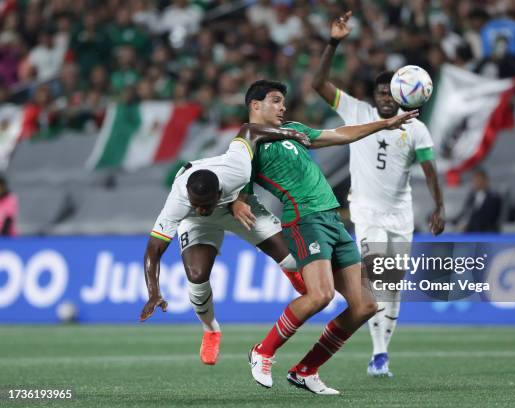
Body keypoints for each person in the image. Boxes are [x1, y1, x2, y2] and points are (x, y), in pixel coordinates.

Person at [241, 79, 419, 395]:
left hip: (332, 220)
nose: (283, 107)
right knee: (320, 295)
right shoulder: (248, 142)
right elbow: (235, 177)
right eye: (276, 100)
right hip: (303, 220)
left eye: (283, 101)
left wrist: (385, 124)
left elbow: (340, 134)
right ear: (255, 105)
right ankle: (263, 351)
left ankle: (306, 370)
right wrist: (238, 200)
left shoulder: (294, 130)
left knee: (366, 305)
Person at [311, 11, 445, 378]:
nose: (386, 98)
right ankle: (378, 354)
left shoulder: (415, 128)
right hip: (366, 211)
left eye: (391, 93)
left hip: (400, 214)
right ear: (374, 96)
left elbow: (430, 170)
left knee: (393, 286)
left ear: (402, 95)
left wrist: (439, 207)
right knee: (375, 277)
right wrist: (334, 42)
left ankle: (380, 353)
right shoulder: (357, 112)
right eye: (381, 93)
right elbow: (318, 84)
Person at [139, 123, 311, 366]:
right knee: (197, 277)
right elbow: (154, 249)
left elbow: (250, 130)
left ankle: (292, 272)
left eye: (205, 204)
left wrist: (290, 133)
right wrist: (154, 293)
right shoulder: (179, 202)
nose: (201, 208)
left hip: (236, 209)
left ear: (219, 193)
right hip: (196, 224)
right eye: (195, 203)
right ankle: (211, 330)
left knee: (293, 259)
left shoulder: (236, 170)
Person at [453, 168, 502, 232]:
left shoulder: (494, 197)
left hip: (485, 231)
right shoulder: (472, 196)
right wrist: (455, 222)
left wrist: (468, 225)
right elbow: (464, 212)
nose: (477, 183)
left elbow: (489, 218)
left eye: (479, 180)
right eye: (475, 180)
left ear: (486, 181)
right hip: (468, 229)